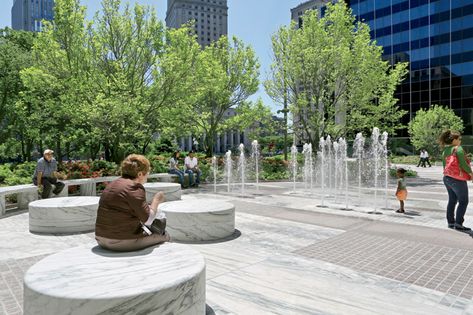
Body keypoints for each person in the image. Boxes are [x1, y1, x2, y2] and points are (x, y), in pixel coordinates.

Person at [95, 154, 170, 251]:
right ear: (140, 174)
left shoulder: (113, 184)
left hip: (100, 238)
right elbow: (148, 220)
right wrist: (156, 200)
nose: (147, 176)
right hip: (120, 242)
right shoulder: (135, 187)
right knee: (164, 235)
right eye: (147, 173)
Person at [439, 130, 473, 231]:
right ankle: (458, 224)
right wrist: (471, 174)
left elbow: (445, 166)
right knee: (463, 201)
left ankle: (450, 222)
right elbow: (463, 164)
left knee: (452, 200)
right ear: (454, 140)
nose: (460, 140)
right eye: (459, 139)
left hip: (447, 178)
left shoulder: (445, 151)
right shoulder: (458, 149)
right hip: (457, 179)